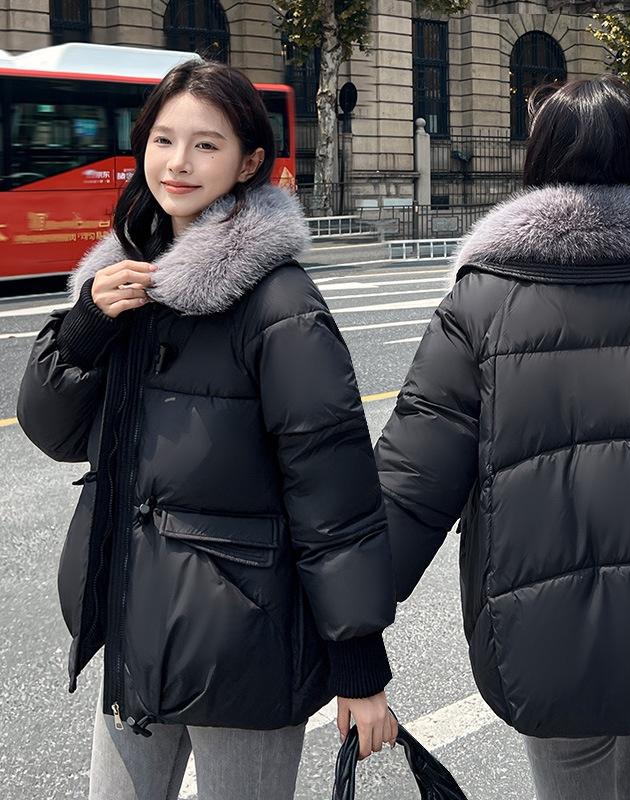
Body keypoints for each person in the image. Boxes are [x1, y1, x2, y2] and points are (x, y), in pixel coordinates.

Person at [373, 76, 630, 800]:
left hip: (543, 629)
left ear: (537, 157)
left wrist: (346, 608)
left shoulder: (481, 294)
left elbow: (413, 485)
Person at [17, 59, 397, 800]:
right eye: (163, 140)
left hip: (244, 643)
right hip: (136, 627)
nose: (178, 164)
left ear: (250, 160)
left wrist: (359, 664)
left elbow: (334, 489)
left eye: (206, 145)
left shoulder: (281, 303)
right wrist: (85, 329)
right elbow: (54, 432)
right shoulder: (126, 282)